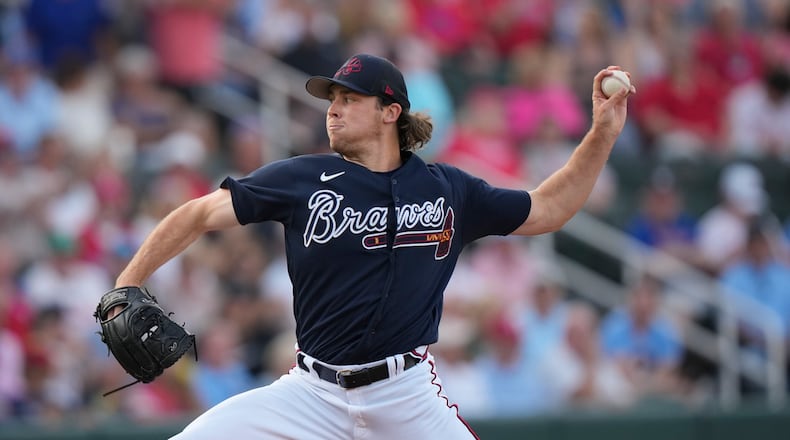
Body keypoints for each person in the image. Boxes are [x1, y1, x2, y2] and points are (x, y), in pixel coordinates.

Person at [104, 53, 634, 439]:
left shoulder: (448, 190)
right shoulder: (302, 179)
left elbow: (548, 208)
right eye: (331, 100)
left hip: (405, 396)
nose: (333, 110)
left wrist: (602, 133)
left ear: (389, 112)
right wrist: (127, 283)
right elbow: (197, 213)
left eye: (349, 99)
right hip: (311, 394)